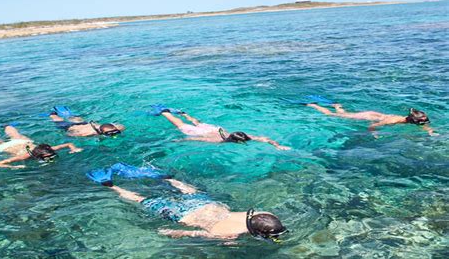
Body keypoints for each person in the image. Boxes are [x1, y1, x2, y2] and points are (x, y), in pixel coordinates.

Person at [87, 163, 288, 241]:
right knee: (142, 200)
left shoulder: (266, 214)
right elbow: (192, 232)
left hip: (206, 204)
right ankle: (110, 185)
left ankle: (166, 178)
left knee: (189, 190)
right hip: (182, 215)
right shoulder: (228, 234)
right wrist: (172, 232)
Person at [151, 105, 290, 150]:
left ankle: (184, 113)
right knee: (179, 124)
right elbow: (195, 139)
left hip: (214, 129)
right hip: (205, 132)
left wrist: (278, 145)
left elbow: (265, 139)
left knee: (197, 122)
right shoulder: (218, 141)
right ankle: (164, 112)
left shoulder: (239, 136)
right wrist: (179, 141)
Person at [307, 104, 436, 136]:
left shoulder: (407, 119)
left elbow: (422, 125)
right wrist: (374, 133)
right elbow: (372, 125)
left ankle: (337, 105)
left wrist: (430, 132)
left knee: (345, 114)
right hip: (368, 116)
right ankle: (313, 105)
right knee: (332, 115)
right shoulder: (392, 121)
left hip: (377, 114)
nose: (422, 124)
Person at [0, 125, 83, 169]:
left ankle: (6, 125)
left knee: (16, 134)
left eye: (52, 156)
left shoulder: (48, 150)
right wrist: (13, 167)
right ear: (38, 156)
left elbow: (68, 144)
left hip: (25, 142)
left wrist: (74, 148)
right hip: (9, 146)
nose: (51, 158)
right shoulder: (25, 156)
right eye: (48, 157)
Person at [49, 112, 125, 137]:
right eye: (109, 134)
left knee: (77, 119)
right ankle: (53, 114)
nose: (113, 135)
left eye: (115, 132)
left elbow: (121, 126)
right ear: (101, 132)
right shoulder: (88, 133)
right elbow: (70, 134)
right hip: (69, 126)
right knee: (59, 121)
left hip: (85, 124)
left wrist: (117, 130)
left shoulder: (117, 128)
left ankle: (71, 115)